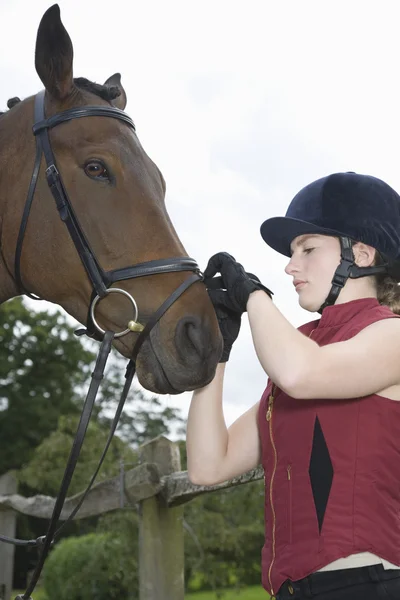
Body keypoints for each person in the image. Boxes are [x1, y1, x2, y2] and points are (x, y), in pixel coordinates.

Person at [186, 171, 400, 600]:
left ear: (359, 254)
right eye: (291, 253)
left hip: (369, 583)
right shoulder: (300, 349)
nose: (290, 266)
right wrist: (218, 354)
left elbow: (301, 374)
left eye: (307, 249)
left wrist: (253, 295)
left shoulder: (391, 333)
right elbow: (209, 466)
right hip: (289, 589)